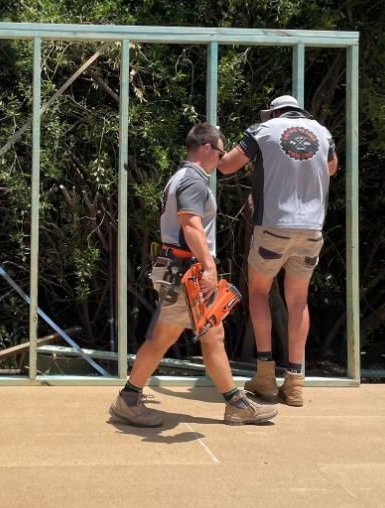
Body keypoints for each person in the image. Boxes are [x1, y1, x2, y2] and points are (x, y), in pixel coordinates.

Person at [109, 123, 277, 428]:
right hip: (187, 272)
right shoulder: (194, 182)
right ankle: (131, 399)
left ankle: (133, 398)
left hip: (177, 269)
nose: (222, 159)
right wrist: (209, 267)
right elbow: (190, 225)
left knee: (201, 336)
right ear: (207, 148)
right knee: (183, 337)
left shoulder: (182, 178)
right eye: (221, 151)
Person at [218, 94, 338, 407]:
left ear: (274, 112)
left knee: (259, 293)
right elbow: (332, 168)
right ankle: (295, 384)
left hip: (273, 226)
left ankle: (266, 377)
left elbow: (227, 166)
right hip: (311, 230)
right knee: (298, 300)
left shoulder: (264, 130)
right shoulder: (323, 133)